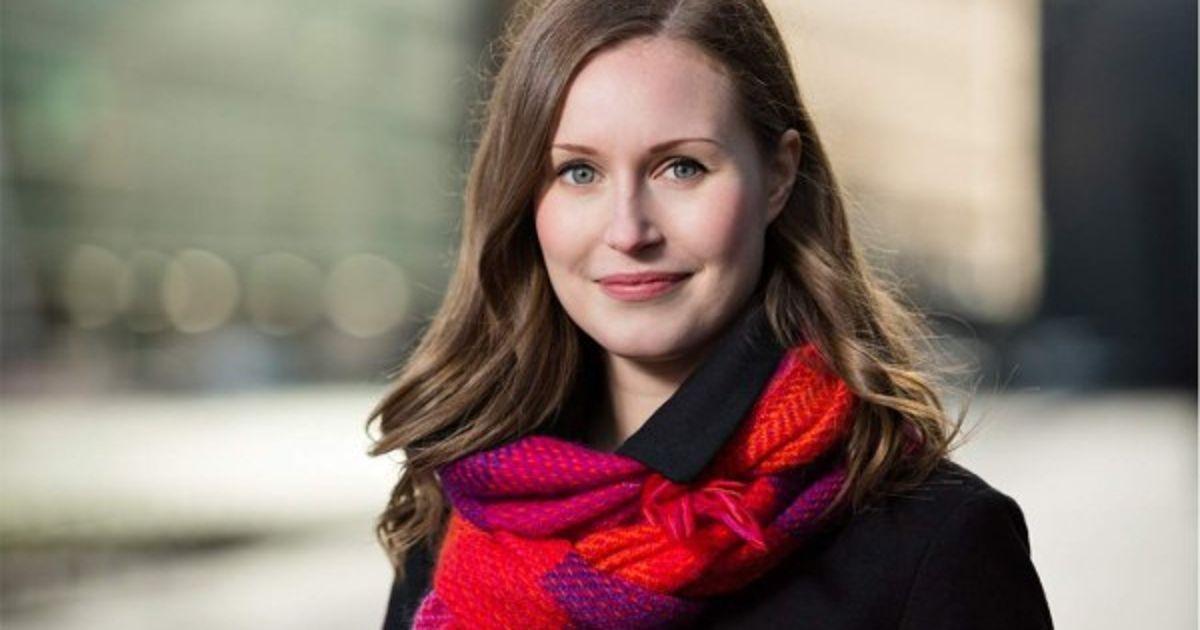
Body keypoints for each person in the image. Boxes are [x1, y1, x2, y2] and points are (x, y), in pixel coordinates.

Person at [370, 0, 1054, 628]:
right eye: (579, 172)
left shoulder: (935, 542)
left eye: (682, 168)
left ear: (778, 176)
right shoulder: (459, 508)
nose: (629, 231)